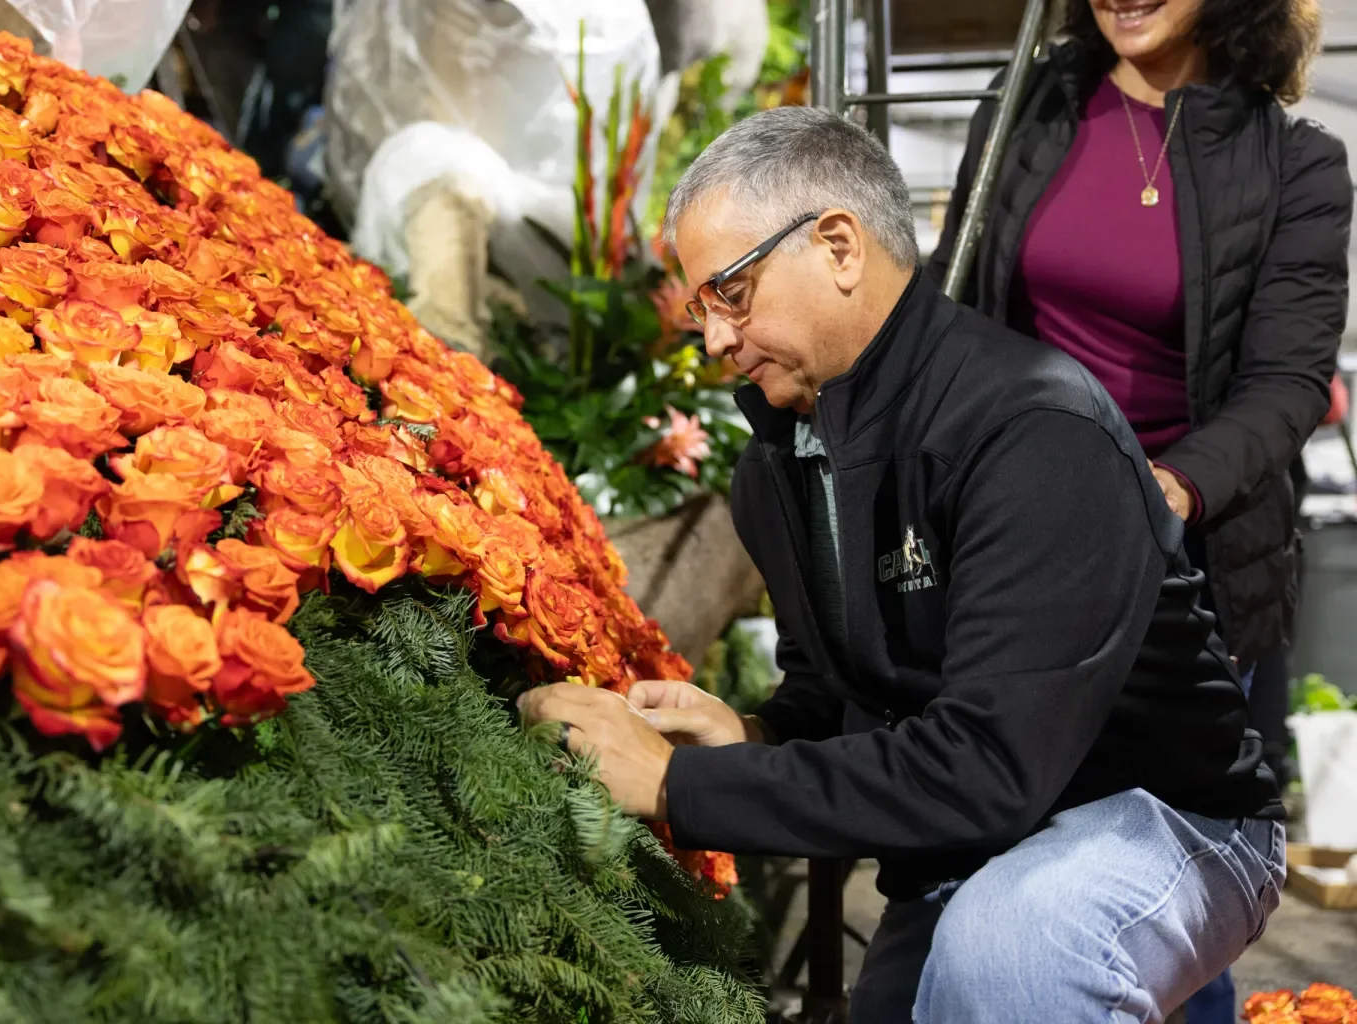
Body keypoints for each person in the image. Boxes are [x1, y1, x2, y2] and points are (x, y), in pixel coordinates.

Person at [518, 106, 1286, 1024]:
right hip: (978, 826)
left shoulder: (1031, 430)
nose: (715, 340)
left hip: (1164, 809)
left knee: (1010, 952)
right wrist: (751, 738)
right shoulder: (776, 466)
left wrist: (680, 785)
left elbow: (989, 764)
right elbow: (843, 690)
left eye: (730, 291)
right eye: (699, 310)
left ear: (838, 245)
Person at [926, 2, 1349, 1016]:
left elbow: (1287, 385)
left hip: (1181, 570)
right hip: (1016, 552)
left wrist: (1167, 488)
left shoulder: (1296, 163)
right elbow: (961, 307)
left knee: (1151, 868)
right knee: (1020, 857)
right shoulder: (1030, 103)